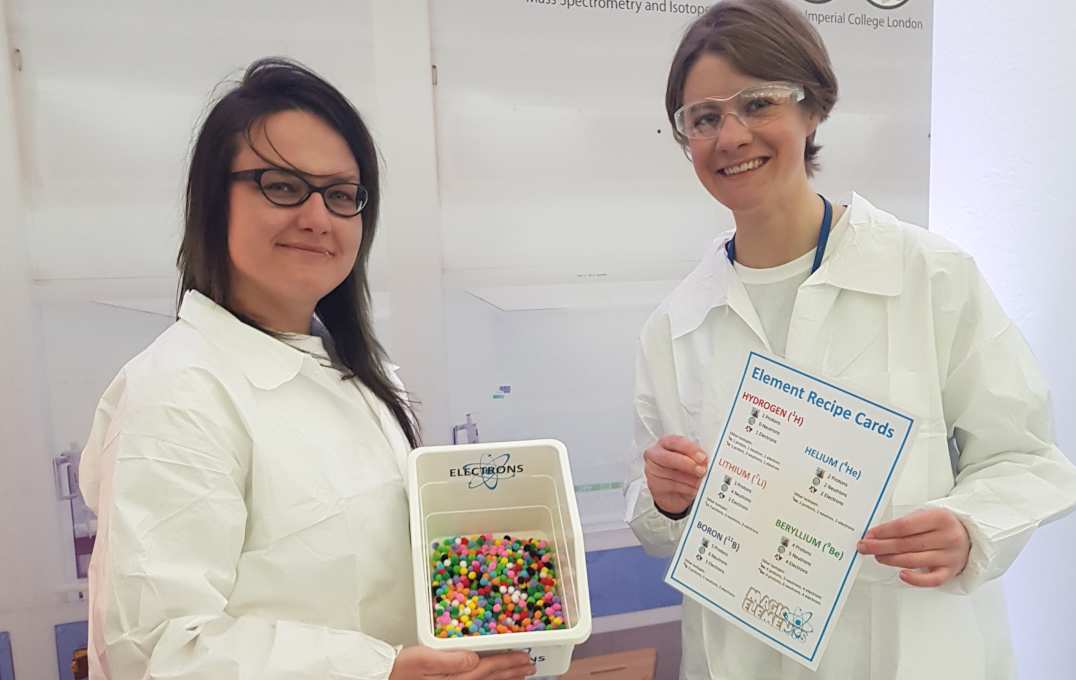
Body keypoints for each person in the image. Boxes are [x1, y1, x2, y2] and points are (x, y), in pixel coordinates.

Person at [623, 1, 1076, 678]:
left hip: (910, 648)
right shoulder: (676, 324)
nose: (731, 135)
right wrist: (665, 496)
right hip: (744, 654)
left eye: (757, 103)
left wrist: (970, 528)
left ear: (813, 109)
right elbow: (658, 520)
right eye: (705, 118)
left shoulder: (929, 276)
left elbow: (1026, 458)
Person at [78, 58, 535, 680]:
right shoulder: (178, 391)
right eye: (283, 186)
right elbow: (156, 651)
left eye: (341, 194)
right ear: (215, 202)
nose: (318, 217)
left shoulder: (361, 374)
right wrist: (384, 671)